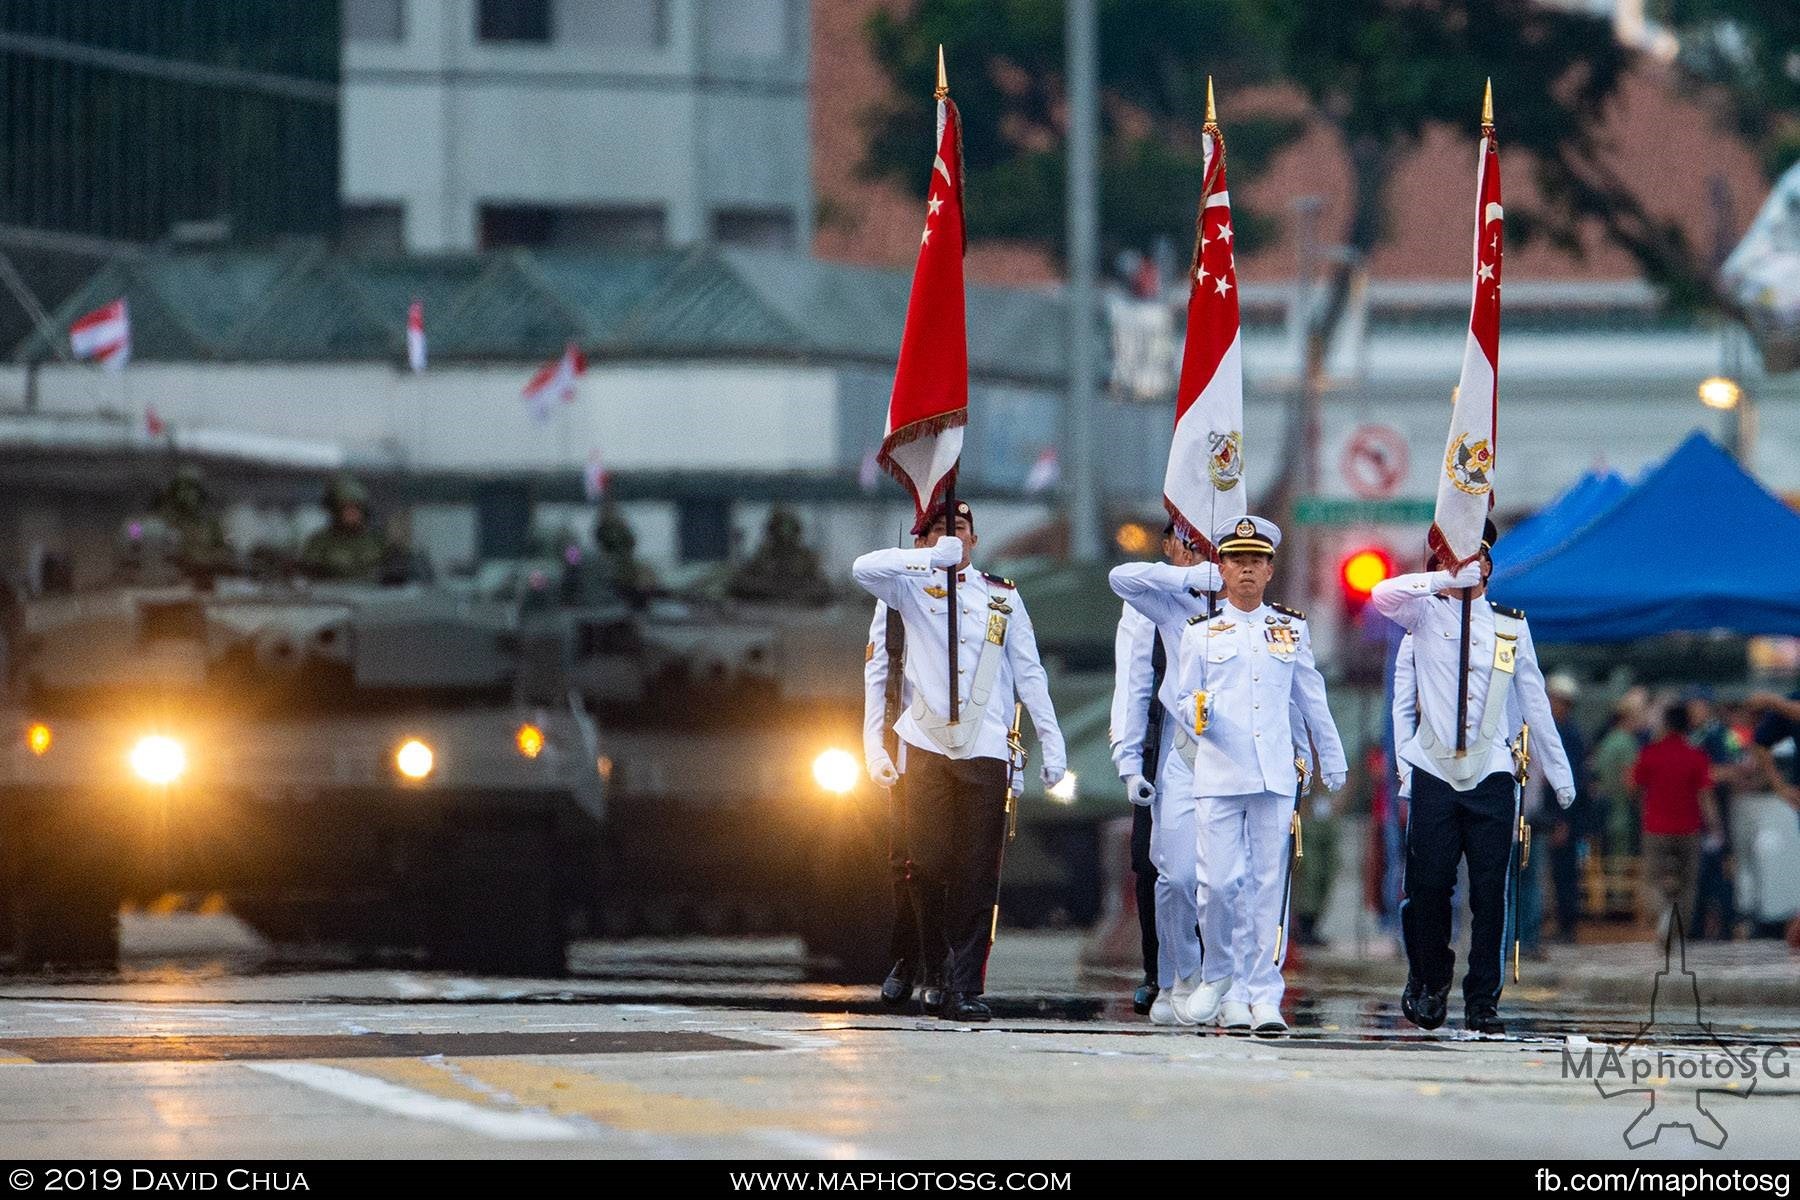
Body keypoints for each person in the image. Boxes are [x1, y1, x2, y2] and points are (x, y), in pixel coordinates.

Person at [851, 499, 1066, 1022]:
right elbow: (877, 656)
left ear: (975, 538)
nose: (953, 535)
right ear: (921, 539)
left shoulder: (1002, 598)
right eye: (940, 529)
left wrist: (1052, 741)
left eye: (961, 529)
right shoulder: (903, 587)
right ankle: (922, 959)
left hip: (985, 745)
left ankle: (962, 984)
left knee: (975, 874)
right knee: (921, 865)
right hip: (923, 743)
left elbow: (1030, 672)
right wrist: (873, 747)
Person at [1372, 521, 1575, 1037]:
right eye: (1455, 559)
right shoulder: (1422, 614)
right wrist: (1441, 581)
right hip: (1435, 770)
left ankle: (1484, 998)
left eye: (1475, 559)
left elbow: (1535, 703)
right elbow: (1381, 594)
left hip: (1492, 773)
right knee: (1428, 885)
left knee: (1491, 894)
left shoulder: (1511, 627)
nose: (1467, 568)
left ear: (1488, 564)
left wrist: (1559, 774)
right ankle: (1430, 976)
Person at [1171, 516, 1346, 1036]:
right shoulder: (1200, 633)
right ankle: (1221, 977)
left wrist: (1330, 756)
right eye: (1237, 561)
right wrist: (1195, 713)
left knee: (1270, 889)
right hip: (1220, 771)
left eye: (1256, 562)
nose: (1246, 571)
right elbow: (1181, 697)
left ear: (1270, 570)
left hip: (1272, 773)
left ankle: (1264, 994)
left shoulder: (1290, 629)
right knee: (1219, 886)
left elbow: (1310, 696)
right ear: (1221, 569)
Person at [1107, 524, 1219, 1024]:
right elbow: (1131, 684)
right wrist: (1128, 758)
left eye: (1203, 548)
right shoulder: (1146, 598)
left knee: (1217, 869)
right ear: (1169, 547)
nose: (1194, 555)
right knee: (1155, 864)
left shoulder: (1228, 600)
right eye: (1185, 544)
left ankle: (1212, 975)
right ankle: (1160, 973)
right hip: (1161, 741)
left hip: (1215, 746)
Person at [864, 574, 940, 1013]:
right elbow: (878, 676)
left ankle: (941, 965)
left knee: (948, 868)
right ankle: (909, 958)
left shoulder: (985, 596)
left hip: (962, 749)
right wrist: (873, 748)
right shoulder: (895, 601)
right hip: (909, 748)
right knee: (907, 866)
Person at [1631, 702, 1722, 934]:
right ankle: (1677, 928)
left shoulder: (1650, 753)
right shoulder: (1697, 756)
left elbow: (1634, 785)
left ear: (1666, 724)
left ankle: (1662, 913)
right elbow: (1705, 796)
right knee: (1688, 883)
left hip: (1655, 827)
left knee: (1652, 879)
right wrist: (1715, 827)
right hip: (1688, 828)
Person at [1543, 674, 1591, 945]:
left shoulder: (1568, 736)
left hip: (1564, 815)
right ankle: (1560, 922)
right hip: (1556, 813)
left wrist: (1563, 819)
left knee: (1565, 873)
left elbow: (1572, 780)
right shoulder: (1560, 732)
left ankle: (1567, 924)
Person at [1590, 688, 1651, 858]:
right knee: (1621, 864)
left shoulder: (1608, 740)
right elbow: (1630, 781)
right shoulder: (1627, 743)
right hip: (1621, 815)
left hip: (1606, 813)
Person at [299, 475, 386, 581]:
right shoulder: (320, 543)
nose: (352, 513)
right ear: (335, 511)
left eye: (356, 508)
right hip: (331, 594)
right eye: (346, 508)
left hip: (373, 594)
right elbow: (308, 574)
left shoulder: (377, 541)